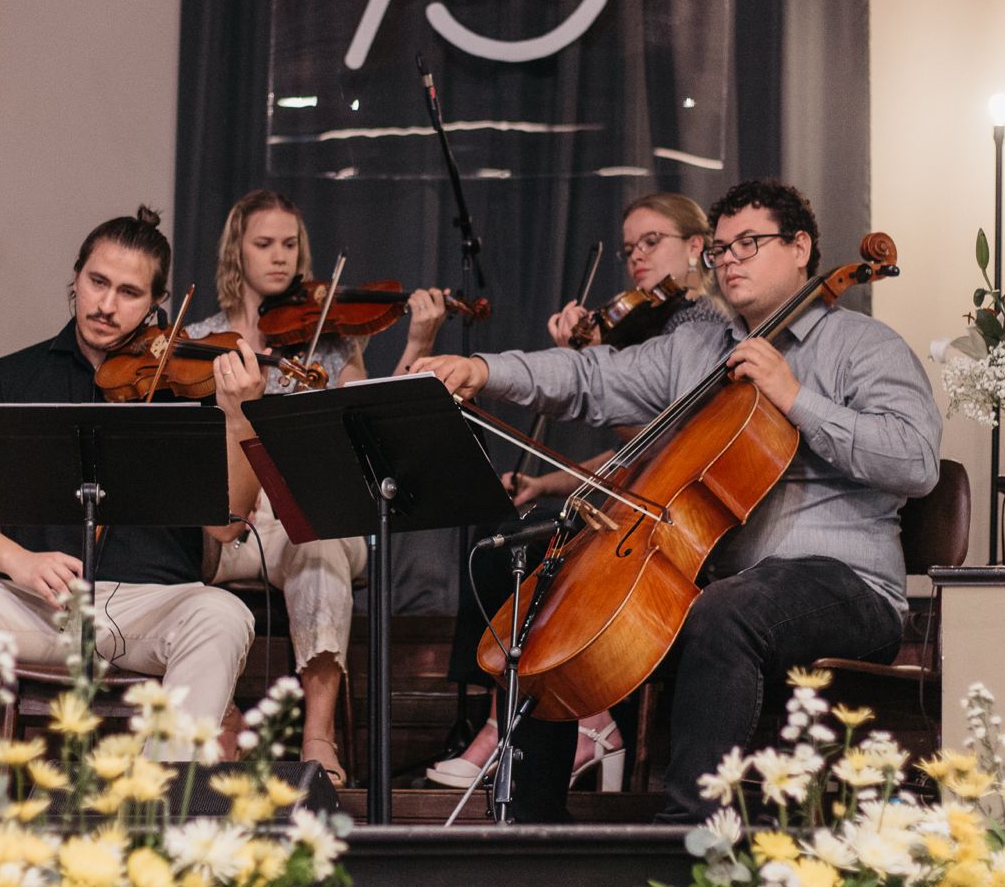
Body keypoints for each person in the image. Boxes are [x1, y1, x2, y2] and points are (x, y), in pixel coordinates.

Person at [411, 181, 941, 822]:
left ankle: (689, 832)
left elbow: (915, 461)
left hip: (845, 584)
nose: (731, 260)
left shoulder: (863, 345)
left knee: (726, 611)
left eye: (751, 242)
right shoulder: (699, 348)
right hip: (726, 578)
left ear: (801, 248)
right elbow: (591, 377)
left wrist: (794, 396)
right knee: (534, 575)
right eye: (720, 249)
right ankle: (532, 826)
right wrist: (484, 372)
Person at [0, 206, 263, 808]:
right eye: (97, 282)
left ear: (158, 305)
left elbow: (227, 524)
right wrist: (20, 561)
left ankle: (154, 819)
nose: (106, 305)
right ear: (75, 278)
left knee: (224, 614)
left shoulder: (195, 388)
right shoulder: (13, 378)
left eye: (129, 293)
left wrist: (237, 420)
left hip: (150, 608)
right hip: (36, 604)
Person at [427, 191, 724, 792]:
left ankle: (543, 726)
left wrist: (586, 360)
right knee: (506, 539)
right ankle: (520, 720)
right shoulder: (647, 328)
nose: (636, 258)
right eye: (629, 248)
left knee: (526, 546)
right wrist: (546, 478)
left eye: (651, 242)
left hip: (675, 510)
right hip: (635, 491)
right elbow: (630, 442)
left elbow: (660, 436)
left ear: (696, 248)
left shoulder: (705, 328)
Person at [187, 189, 447, 785]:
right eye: (263, 244)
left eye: (289, 245)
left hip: (301, 518)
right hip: (229, 521)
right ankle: (218, 713)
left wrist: (419, 345)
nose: (279, 257)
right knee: (176, 535)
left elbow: (374, 428)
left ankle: (318, 735)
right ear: (236, 252)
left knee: (321, 541)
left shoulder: (330, 341)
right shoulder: (202, 340)